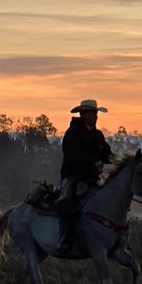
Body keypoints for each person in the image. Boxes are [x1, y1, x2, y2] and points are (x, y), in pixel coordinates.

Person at [54, 99, 114, 248]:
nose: (96, 116)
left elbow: (107, 154)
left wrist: (117, 160)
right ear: (83, 114)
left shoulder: (98, 135)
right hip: (73, 175)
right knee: (67, 203)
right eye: (93, 113)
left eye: (96, 113)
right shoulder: (73, 132)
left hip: (92, 176)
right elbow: (70, 153)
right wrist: (92, 162)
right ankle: (65, 238)